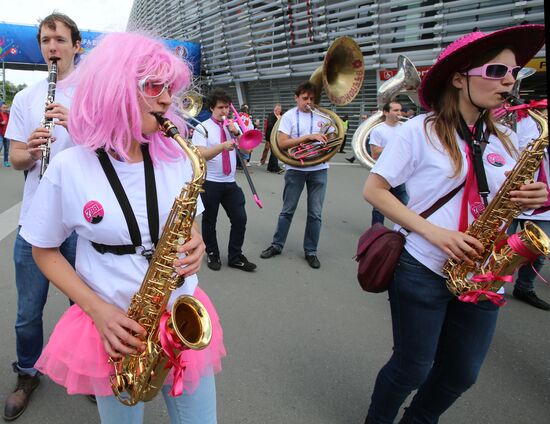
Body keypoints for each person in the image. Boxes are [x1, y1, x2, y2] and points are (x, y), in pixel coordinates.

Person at [19, 32, 225, 424]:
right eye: (153, 86)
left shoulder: (177, 157)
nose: (167, 99)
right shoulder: (70, 166)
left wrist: (194, 239)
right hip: (114, 329)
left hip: (178, 313)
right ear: (115, 88)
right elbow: (43, 250)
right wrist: (98, 311)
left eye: (171, 87)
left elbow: (187, 224)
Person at [362, 24, 546, 424]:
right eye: (497, 71)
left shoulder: (505, 141)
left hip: (483, 272)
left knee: (462, 373)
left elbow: (504, 201)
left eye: (514, 72)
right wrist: (433, 232)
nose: (510, 81)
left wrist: (533, 199)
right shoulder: (418, 131)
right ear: (460, 79)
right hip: (423, 265)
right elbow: (374, 191)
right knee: (413, 366)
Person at [3, 13, 82, 421]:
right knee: (27, 312)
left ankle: (89, 370)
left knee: (85, 305)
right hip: (37, 219)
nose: (53, 47)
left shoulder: (92, 91)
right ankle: (28, 372)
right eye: (46, 40)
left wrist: (80, 124)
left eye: (60, 39)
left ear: (76, 46)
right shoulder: (26, 98)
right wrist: (31, 151)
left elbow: (117, 149)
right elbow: (15, 157)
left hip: (85, 220)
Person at [260, 81, 334, 269]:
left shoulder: (323, 116)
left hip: (319, 169)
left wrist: (326, 141)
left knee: (315, 214)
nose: (308, 102)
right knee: (287, 210)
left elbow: (334, 140)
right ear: (296, 98)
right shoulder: (289, 116)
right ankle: (277, 245)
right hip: (296, 170)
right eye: (304, 98)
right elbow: (283, 143)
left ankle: (311, 251)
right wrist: (308, 138)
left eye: (311, 98)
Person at [192, 89, 257, 273]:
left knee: (240, 219)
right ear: (212, 107)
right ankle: (212, 253)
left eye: (227, 107)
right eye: (220, 107)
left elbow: (246, 153)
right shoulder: (202, 127)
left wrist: (237, 135)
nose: (224, 111)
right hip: (210, 182)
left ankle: (235, 256)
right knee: (210, 221)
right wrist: (221, 146)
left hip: (230, 182)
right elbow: (201, 154)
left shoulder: (233, 127)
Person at [507, 98, 549, 310]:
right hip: (514, 195)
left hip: (544, 203)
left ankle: (525, 287)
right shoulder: (522, 123)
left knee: (539, 249)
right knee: (501, 245)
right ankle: (491, 283)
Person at [369, 101, 408, 226]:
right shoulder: (378, 130)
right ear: (386, 112)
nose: (399, 113)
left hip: (402, 173)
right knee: (379, 206)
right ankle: (376, 233)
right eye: (395, 110)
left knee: (407, 204)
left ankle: (406, 230)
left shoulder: (405, 128)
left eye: (400, 110)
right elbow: (374, 153)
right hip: (383, 173)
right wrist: (394, 147)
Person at [261, 103, 284, 173]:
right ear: (275, 109)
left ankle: (270, 168)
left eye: (280, 109)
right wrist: (278, 124)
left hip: (278, 137)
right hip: (271, 137)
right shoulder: (271, 116)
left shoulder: (281, 116)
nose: (279, 111)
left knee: (274, 152)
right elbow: (270, 126)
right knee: (274, 152)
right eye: (278, 109)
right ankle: (276, 168)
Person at [0, 102, 10, 167]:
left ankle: (6, 161)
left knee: (6, 149)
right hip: (0, 134)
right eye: (4, 107)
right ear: (0, 108)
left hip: (7, 134)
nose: (5, 109)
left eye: (6, 107)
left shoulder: (8, 114)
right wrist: (1, 123)